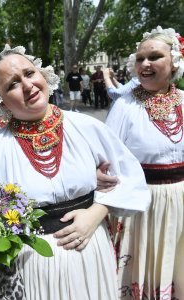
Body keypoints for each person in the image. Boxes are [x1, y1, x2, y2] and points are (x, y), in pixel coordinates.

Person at [0, 44, 151, 300]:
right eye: (12, 84)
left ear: (43, 75)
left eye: (30, 73)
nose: (27, 85)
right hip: (33, 261)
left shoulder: (86, 126)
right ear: (0, 99)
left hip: (91, 247)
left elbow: (130, 177)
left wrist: (97, 212)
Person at [104, 26, 184, 299]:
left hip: (182, 202)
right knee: (144, 274)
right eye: (140, 58)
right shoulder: (125, 106)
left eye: (154, 57)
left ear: (174, 62)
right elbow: (106, 158)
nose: (145, 64)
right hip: (142, 205)